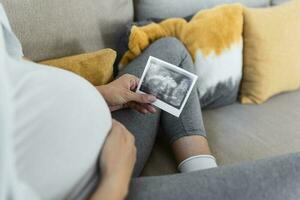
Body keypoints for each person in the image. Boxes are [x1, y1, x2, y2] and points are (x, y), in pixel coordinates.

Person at [1, 3, 300, 200]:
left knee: (170, 53)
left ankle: (203, 174)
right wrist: (115, 172)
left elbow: (22, 68)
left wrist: (101, 94)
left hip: (102, 128)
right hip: (93, 185)